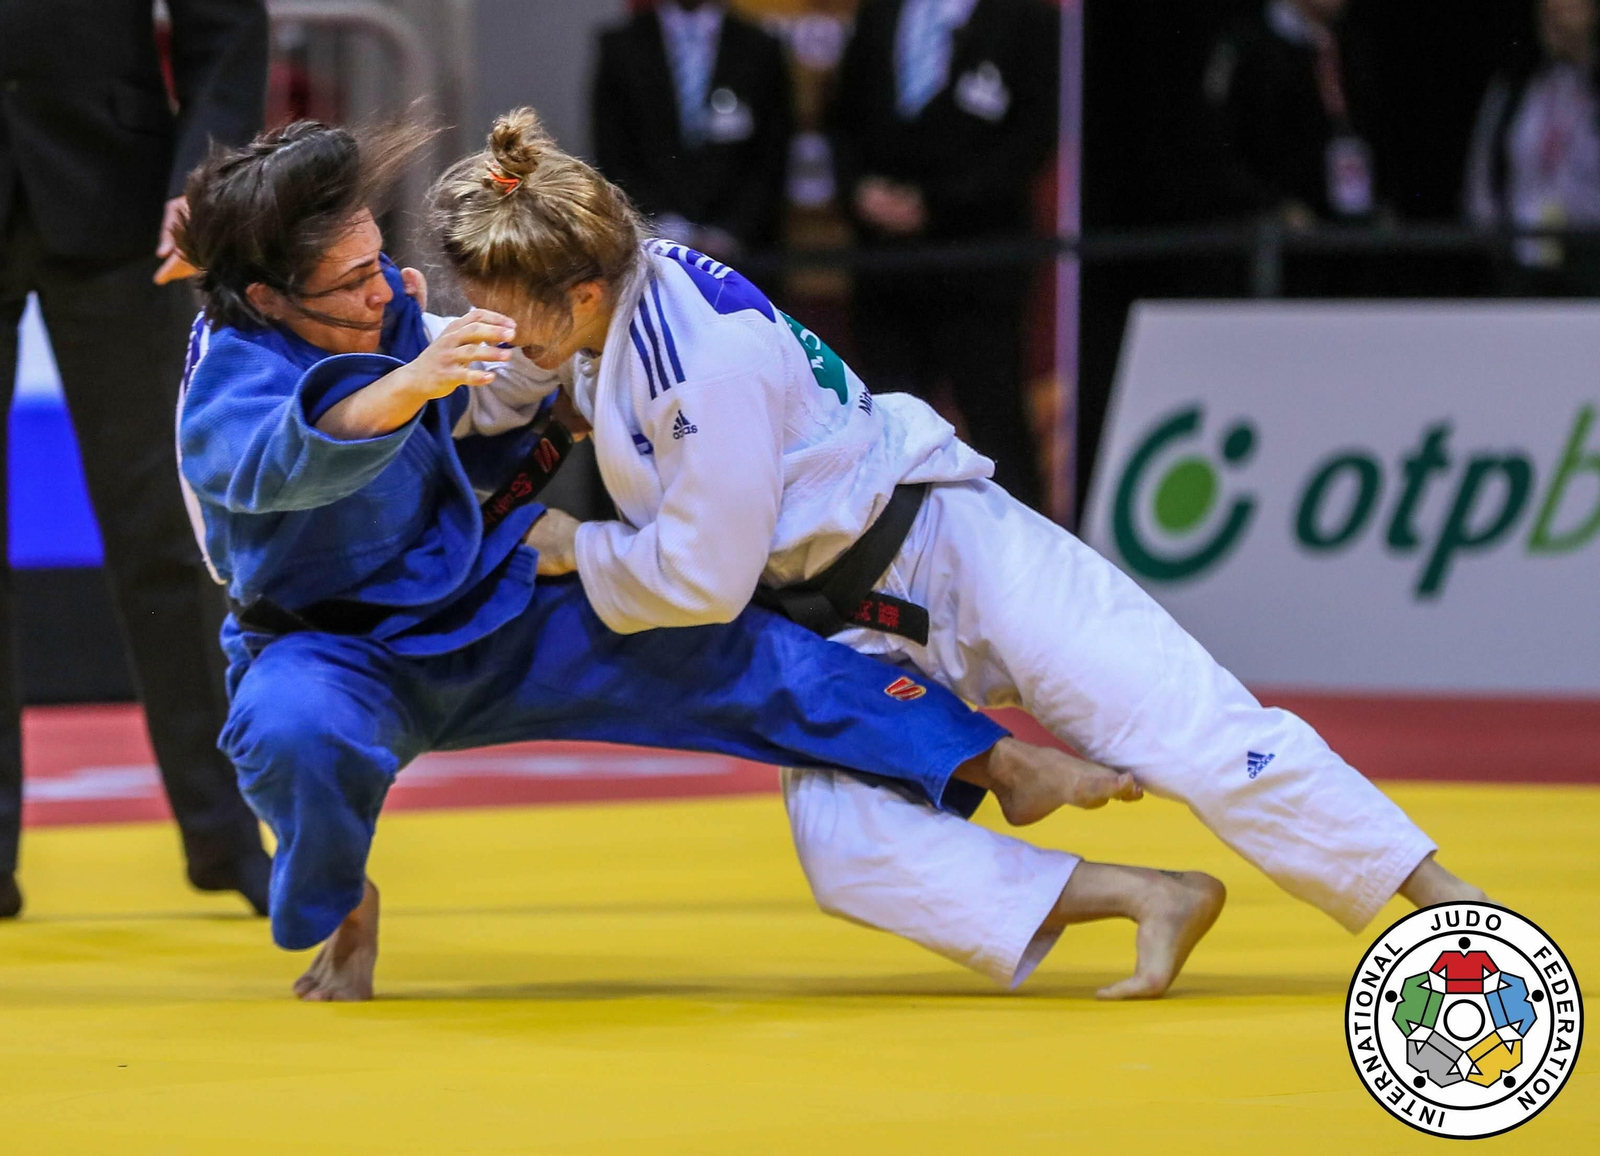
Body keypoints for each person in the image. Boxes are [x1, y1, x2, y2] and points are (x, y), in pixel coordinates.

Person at [433, 109, 1492, 999]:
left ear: (575, 293)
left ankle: (1446, 904)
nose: (491, 323)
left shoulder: (691, 366)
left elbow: (705, 581)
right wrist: (465, 368)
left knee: (1186, 727)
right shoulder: (612, 292)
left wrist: (587, 548)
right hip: (840, 616)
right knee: (849, 852)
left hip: (948, 549)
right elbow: (527, 377)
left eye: (503, 308)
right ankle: (1149, 895)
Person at [173, 119, 1141, 1002]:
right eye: (351, 282)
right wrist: (407, 385)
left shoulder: (385, 310)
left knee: (736, 650)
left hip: (483, 600)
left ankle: (990, 757)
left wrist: (530, 361)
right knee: (290, 733)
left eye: (378, 261)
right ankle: (343, 905)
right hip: (332, 654)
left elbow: (483, 409)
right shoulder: (223, 377)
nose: (383, 288)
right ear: (267, 296)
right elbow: (279, 463)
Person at [0, 0, 273, 919]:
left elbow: (225, 22)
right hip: (98, 193)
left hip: (121, 200)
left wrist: (209, 172)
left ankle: (225, 830)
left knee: (163, 527)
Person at [826, 0, 1059, 509]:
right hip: (885, 266)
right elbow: (841, 118)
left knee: (996, 427)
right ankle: (895, 577)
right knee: (885, 432)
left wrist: (933, 204)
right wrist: (860, 194)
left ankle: (1026, 576)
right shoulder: (879, 14)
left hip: (976, 265)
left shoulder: (1025, 20)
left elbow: (1032, 139)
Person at [593, 0, 793, 259]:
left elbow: (773, 154)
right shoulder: (620, 46)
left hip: (743, 253)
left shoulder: (759, 45)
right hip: (649, 250)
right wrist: (662, 225)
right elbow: (612, 153)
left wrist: (730, 230)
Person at [1201, 0, 1380, 227]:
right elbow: (1216, 143)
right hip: (1272, 234)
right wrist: (1270, 205)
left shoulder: (1349, 42)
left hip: (1348, 224)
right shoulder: (1246, 42)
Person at [1465, 0, 1600, 295]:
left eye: (1568, 6)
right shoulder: (1515, 87)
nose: (1554, 14)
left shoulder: (1590, 91)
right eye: (1547, 8)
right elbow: (1481, 179)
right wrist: (1495, 249)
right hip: (1521, 268)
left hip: (1591, 266)